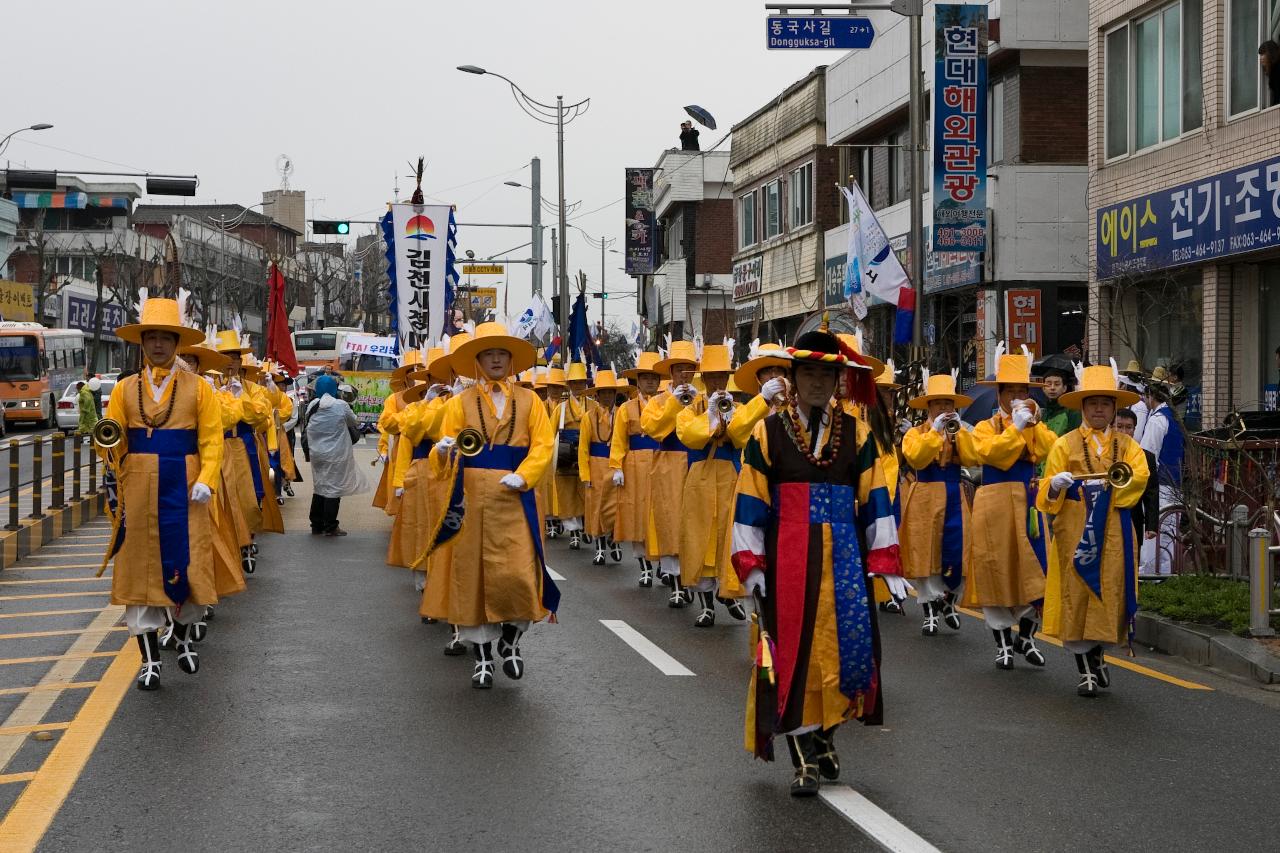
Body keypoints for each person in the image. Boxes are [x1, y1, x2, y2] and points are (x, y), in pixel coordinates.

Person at [731, 327, 900, 798]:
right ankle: (804, 757)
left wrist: (884, 559)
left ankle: (826, 734)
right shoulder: (767, 432)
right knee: (795, 654)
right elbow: (749, 499)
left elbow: (877, 499)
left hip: (845, 556)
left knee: (846, 652)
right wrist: (753, 564)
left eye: (827, 374)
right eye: (808, 373)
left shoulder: (859, 433)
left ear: (838, 380)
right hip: (788, 556)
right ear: (793, 378)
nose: (818, 383)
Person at [423, 322, 557, 689]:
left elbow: (544, 446)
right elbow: (444, 447)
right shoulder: (459, 402)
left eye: (502, 353)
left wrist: (525, 475)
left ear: (511, 360)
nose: (496, 359)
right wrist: (442, 452)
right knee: (472, 581)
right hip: (471, 500)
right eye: (488, 353)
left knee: (518, 577)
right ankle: (482, 659)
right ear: (478, 360)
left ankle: (511, 640)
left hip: (514, 499)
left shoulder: (531, 401)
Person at [102, 295, 224, 690]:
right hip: (138, 486)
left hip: (185, 486)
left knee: (189, 564)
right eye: (150, 337)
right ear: (142, 342)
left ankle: (185, 639)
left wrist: (207, 477)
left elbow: (211, 439)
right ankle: (149, 660)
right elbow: (111, 436)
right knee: (140, 569)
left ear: (177, 343)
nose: (157, 344)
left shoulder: (200, 388)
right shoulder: (124, 389)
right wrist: (108, 452)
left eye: (165, 338)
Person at [1038, 364, 1149, 697]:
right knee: (1078, 593)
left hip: (1114, 527)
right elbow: (1047, 490)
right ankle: (1084, 669)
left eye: (1105, 403)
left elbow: (1139, 477)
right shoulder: (1064, 444)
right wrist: (1055, 486)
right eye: (1092, 403)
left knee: (1110, 592)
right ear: (1082, 406)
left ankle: (1098, 654)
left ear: (1114, 408)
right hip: (1075, 527)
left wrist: (1110, 490)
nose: (1099, 409)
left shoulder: (1128, 446)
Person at [965, 343, 1057, 670]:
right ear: (1000, 393)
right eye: (1011, 390)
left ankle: (1027, 636)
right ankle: (1003, 644)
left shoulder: (1033, 424)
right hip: (995, 503)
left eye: (1023, 390)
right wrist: (1016, 429)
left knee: (1039, 568)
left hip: (1029, 501)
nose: (1017, 395)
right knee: (996, 569)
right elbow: (994, 456)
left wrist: (1033, 424)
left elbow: (1050, 450)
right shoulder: (985, 427)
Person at [899, 369, 978, 636]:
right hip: (924, 496)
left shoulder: (960, 432)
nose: (944, 408)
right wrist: (934, 433)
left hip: (954, 493)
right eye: (938, 403)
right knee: (926, 553)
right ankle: (929, 612)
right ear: (929, 406)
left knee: (959, 550)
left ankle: (949, 600)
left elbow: (972, 458)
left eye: (948, 403)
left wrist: (959, 434)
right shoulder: (915, 433)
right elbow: (917, 459)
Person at [675, 343, 747, 627]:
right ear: (703, 379)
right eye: (711, 377)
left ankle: (727, 591)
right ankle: (706, 605)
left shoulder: (737, 407)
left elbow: (744, 435)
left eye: (721, 376)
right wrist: (712, 417)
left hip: (730, 475)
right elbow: (688, 435)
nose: (717, 382)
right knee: (699, 537)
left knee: (728, 536)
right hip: (700, 476)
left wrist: (729, 419)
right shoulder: (690, 409)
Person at [642, 340, 701, 606]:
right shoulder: (657, 401)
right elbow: (653, 429)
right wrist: (674, 404)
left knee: (696, 522)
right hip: (668, 463)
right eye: (679, 370)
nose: (684, 375)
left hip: (695, 462)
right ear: (671, 372)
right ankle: (676, 583)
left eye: (689, 370)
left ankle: (699, 584)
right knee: (670, 521)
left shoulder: (702, 399)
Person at [610, 352, 663, 586]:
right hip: (634, 466)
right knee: (637, 516)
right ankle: (644, 567)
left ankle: (665, 563)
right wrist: (616, 466)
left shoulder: (667, 403)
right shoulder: (626, 408)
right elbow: (619, 439)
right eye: (645, 377)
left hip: (661, 462)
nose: (650, 381)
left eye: (654, 377)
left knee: (661, 513)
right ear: (638, 381)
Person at [305, 374, 367, 536]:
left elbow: (307, 423)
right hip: (336, 454)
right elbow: (354, 422)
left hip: (317, 454)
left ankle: (316, 524)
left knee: (319, 486)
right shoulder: (341, 405)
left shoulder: (312, 404)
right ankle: (331, 525)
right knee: (334, 488)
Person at [579, 368, 627, 566]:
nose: (607, 396)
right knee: (597, 508)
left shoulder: (621, 415)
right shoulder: (588, 418)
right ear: (596, 395)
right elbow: (583, 448)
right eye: (603, 392)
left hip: (616, 466)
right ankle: (599, 548)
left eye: (610, 392)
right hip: (596, 466)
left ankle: (614, 541)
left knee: (617, 507)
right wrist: (585, 474)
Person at [1139, 379, 1183, 575]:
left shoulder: (1158, 419)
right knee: (1168, 533)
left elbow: (1148, 455)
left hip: (1161, 482)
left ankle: (1152, 574)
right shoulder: (1172, 416)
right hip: (1173, 482)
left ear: (1150, 397)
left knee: (1155, 530)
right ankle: (1164, 574)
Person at [551, 361, 590, 549]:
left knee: (585, 493)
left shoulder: (593, 406)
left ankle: (584, 525)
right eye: (574, 383)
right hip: (566, 456)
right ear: (569, 385)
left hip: (587, 455)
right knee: (566, 495)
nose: (578, 386)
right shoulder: (561, 409)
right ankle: (573, 532)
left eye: (581, 382)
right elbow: (550, 434)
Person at [1115, 408, 1159, 542]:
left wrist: (1151, 525)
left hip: (1134, 517)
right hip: (1105, 517)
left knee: (1133, 558)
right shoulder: (1102, 453)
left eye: (1129, 427)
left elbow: (1151, 492)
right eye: (1119, 427)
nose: (1124, 432)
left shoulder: (1146, 456)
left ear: (1134, 429)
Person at [1038, 360, 1082, 438]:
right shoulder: (1041, 413)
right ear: (1043, 388)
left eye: (1057, 384)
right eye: (1048, 384)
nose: (1052, 388)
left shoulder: (1072, 412)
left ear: (1064, 388)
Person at [1261, 40, 1280, 107]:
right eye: (1261, 55)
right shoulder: (1273, 71)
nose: (1261, 58)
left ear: (1271, 53)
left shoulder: (1277, 70)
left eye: (1263, 54)